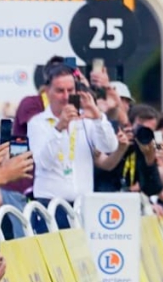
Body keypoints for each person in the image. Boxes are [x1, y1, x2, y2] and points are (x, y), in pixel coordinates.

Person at [27, 64, 119, 230]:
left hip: (82, 206)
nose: (66, 96)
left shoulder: (86, 119)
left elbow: (109, 146)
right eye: (60, 90)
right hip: (50, 207)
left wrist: (98, 117)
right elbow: (43, 163)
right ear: (47, 91)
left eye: (70, 90)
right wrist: (59, 128)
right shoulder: (38, 122)